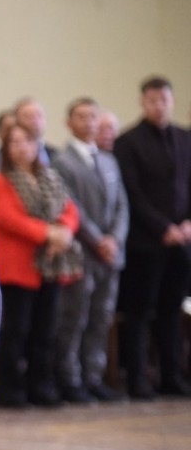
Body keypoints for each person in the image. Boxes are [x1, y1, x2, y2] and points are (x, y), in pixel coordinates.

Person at [0, 124, 81, 407]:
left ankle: (41, 386)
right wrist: (47, 233)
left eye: (26, 141)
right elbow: (6, 217)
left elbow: (70, 210)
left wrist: (63, 231)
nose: (21, 147)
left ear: (36, 144)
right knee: (16, 332)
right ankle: (9, 389)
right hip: (16, 267)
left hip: (49, 266)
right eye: (14, 142)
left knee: (45, 330)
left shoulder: (50, 177)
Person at [113, 76, 191, 398]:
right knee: (140, 312)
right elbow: (132, 193)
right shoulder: (128, 142)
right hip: (146, 242)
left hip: (183, 240)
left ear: (172, 101)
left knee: (172, 311)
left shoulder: (186, 138)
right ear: (143, 102)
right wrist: (163, 228)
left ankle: (171, 377)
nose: (159, 105)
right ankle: (138, 379)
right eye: (153, 100)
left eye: (164, 99)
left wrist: (187, 224)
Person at [50, 98, 128, 402]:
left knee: (102, 316)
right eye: (81, 117)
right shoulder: (62, 162)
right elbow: (71, 206)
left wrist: (115, 239)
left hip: (111, 254)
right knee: (75, 316)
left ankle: (94, 376)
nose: (89, 122)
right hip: (82, 252)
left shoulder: (110, 160)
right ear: (69, 122)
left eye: (93, 117)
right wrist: (98, 240)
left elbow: (122, 205)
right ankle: (70, 378)